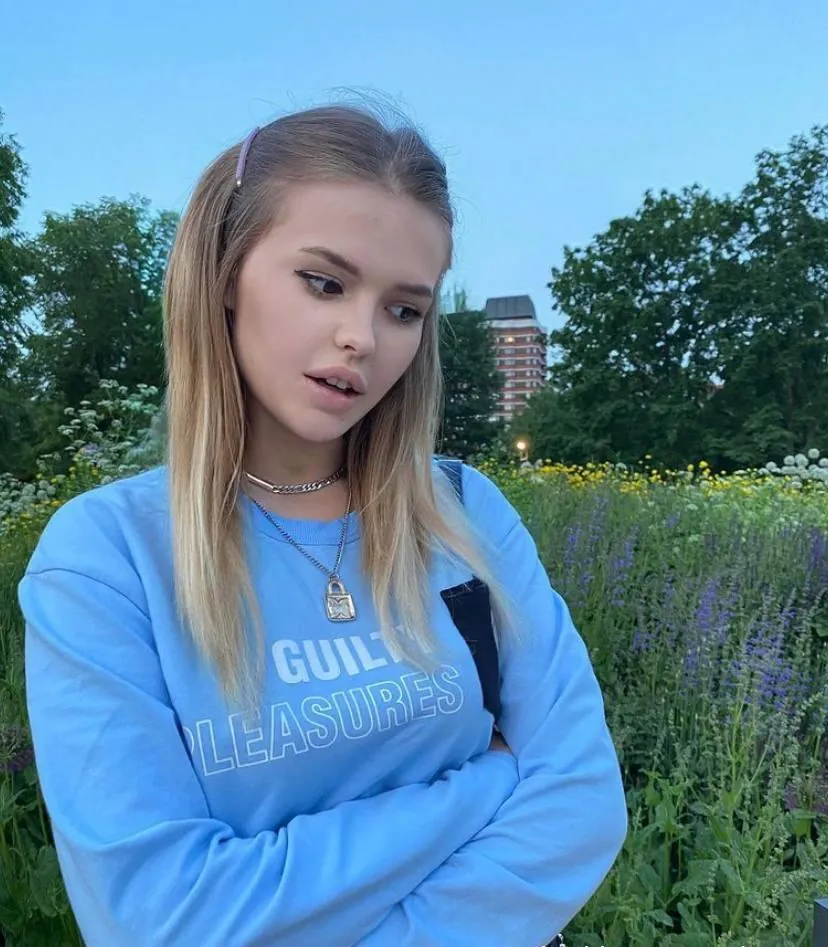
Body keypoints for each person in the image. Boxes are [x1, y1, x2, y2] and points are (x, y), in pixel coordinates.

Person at [18, 103, 627, 946]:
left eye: (404, 310)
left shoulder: (462, 513)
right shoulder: (106, 560)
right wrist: (488, 785)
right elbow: (163, 919)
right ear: (225, 273)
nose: (361, 338)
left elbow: (582, 802)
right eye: (325, 283)